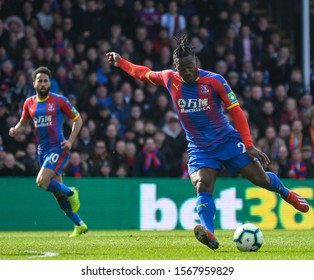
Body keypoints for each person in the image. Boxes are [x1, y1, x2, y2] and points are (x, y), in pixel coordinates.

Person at [106, 35, 310, 251]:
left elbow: (237, 112)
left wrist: (248, 144)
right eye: (182, 68)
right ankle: (209, 233)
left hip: (227, 140)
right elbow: (142, 73)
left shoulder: (215, 81)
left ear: (197, 63)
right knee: (202, 185)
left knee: (260, 179)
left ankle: (286, 193)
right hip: (200, 148)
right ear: (176, 67)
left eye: (191, 66)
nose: (187, 71)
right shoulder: (169, 79)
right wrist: (120, 62)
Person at [9, 66, 88, 238]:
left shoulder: (59, 100)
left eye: (46, 81)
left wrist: (70, 141)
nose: (43, 84)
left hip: (58, 147)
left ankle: (71, 192)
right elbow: (23, 123)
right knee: (57, 194)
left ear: (49, 83)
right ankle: (79, 224)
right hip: (42, 151)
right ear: (34, 83)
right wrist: (15, 130)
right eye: (40, 81)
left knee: (41, 182)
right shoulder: (29, 103)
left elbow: (78, 119)